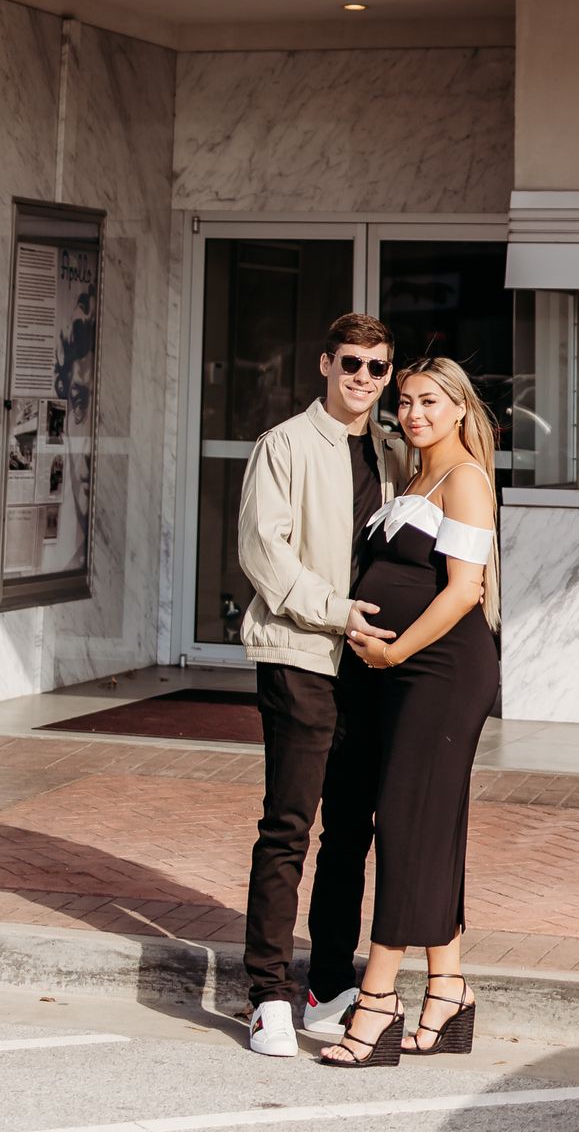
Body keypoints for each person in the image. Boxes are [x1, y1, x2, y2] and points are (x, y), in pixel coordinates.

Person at [318, 356, 501, 1072]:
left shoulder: (466, 481)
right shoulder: (412, 478)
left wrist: (395, 655)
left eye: (429, 401)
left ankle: (377, 1002)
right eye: (406, 402)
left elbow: (462, 591)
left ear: (459, 408)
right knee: (431, 824)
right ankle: (448, 991)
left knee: (403, 823)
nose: (413, 414)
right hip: (397, 678)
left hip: (443, 673)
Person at [235, 311, 403, 1061]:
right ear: (324, 365)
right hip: (302, 657)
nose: (363, 378)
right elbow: (264, 557)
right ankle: (266, 992)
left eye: (376, 367)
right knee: (288, 829)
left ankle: (328, 984)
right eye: (351, 364)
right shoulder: (286, 446)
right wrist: (339, 615)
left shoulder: (398, 451)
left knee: (351, 836)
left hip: (370, 669)